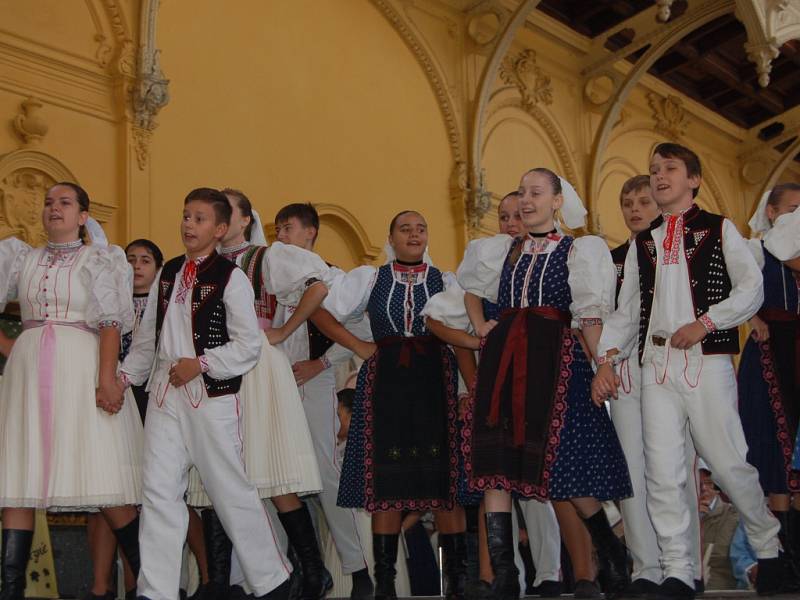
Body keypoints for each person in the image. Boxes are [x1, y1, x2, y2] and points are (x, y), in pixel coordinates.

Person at [593, 143, 793, 598]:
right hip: (655, 367)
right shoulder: (643, 243)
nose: (659, 176)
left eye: (669, 169)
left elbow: (752, 288)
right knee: (662, 471)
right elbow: (626, 314)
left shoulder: (719, 229)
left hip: (707, 362)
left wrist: (706, 323)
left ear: (693, 179)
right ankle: (678, 569)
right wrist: (607, 358)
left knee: (726, 465)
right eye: (653, 169)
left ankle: (768, 542)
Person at [458, 169, 632, 600]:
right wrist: (482, 327)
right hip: (505, 360)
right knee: (496, 466)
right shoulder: (499, 251)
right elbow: (468, 294)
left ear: (557, 201)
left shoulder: (579, 250)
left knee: (565, 472)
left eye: (536, 193)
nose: (527, 200)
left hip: (557, 362)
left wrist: (602, 364)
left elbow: (589, 316)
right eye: (522, 192)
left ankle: (610, 552)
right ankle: (504, 576)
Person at [119, 188, 293, 600]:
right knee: (159, 490)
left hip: (209, 393)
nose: (188, 225)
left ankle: (272, 581)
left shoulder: (230, 277)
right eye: (185, 216)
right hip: (165, 393)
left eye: (198, 219)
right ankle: (156, 590)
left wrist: (201, 363)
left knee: (228, 487)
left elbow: (248, 345)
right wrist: (122, 380)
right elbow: (148, 340)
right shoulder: (169, 274)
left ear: (219, 229)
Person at [315, 210, 475, 600]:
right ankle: (384, 583)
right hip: (385, 383)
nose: (414, 234)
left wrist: (469, 390)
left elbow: (460, 334)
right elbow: (319, 308)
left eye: (421, 228)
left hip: (434, 383)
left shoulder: (446, 281)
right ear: (391, 237)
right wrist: (359, 347)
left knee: (444, 481)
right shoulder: (370, 278)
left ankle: (457, 581)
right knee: (385, 481)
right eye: (405, 228)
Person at [183, 188, 329, 600]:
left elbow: (318, 286)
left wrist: (282, 330)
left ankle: (313, 572)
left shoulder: (266, 257)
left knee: (272, 471)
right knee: (215, 472)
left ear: (244, 220)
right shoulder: (199, 266)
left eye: (225, 209)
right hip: (211, 366)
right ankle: (216, 581)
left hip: (255, 368)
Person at [0, 182, 142, 600]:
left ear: (83, 216)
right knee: (19, 477)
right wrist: (11, 347)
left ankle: (149, 581)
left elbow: (111, 324)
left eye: (64, 203)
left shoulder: (99, 259)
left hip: (80, 369)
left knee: (101, 472)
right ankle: (10, 591)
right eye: (48, 203)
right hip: (26, 376)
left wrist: (106, 379)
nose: (53, 209)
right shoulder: (18, 259)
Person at [608, 175, 702, 595]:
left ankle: (686, 566)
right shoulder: (613, 258)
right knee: (631, 469)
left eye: (643, 201)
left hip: (671, 369)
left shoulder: (681, 248)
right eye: (627, 202)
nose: (634, 209)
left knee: (676, 469)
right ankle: (645, 567)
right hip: (627, 374)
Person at [273, 203, 372, 600]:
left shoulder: (334, 278)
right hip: (275, 384)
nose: (281, 236)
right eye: (277, 229)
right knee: (275, 476)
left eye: (289, 228)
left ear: (311, 232)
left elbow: (361, 332)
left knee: (327, 472)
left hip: (314, 382)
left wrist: (322, 361)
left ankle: (359, 568)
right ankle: (290, 569)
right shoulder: (268, 277)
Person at [86, 239, 171, 600]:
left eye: (145, 260)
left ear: (158, 267)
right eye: (130, 259)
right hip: (107, 396)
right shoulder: (104, 302)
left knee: (139, 496)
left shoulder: (164, 304)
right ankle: (101, 585)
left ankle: (142, 583)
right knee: (102, 492)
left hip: (147, 397)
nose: (136, 266)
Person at [739, 183, 800, 571]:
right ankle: (783, 555)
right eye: (793, 208)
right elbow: (731, 289)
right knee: (774, 443)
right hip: (770, 350)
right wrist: (753, 317)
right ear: (774, 213)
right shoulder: (755, 250)